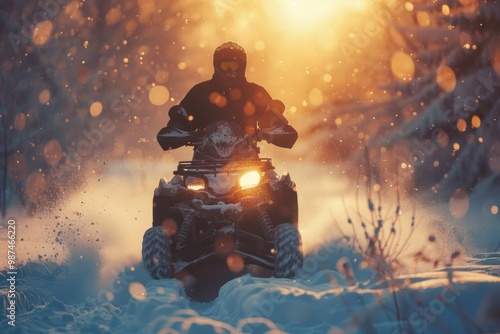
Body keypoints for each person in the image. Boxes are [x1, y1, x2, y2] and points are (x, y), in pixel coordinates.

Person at [158, 41, 297, 152]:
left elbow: (272, 121)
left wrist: (274, 128)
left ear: (242, 66)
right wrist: (177, 130)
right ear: (216, 66)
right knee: (174, 187)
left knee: (278, 185)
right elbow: (181, 120)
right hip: (203, 161)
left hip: (247, 160)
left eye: (234, 66)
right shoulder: (199, 92)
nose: (230, 71)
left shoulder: (256, 93)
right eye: (225, 66)